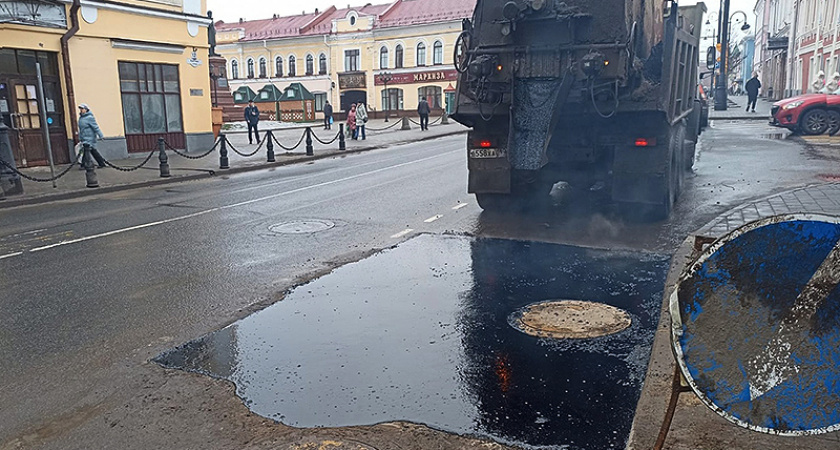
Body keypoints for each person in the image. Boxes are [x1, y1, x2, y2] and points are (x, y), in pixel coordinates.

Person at [77, 103, 106, 169]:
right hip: (84, 137)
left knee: (86, 150)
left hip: (90, 137)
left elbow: (96, 127)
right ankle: (101, 163)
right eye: (80, 109)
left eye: (82, 109)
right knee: (92, 150)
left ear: (86, 109)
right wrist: (80, 137)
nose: (81, 110)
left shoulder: (90, 118)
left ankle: (84, 164)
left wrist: (101, 135)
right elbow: (81, 129)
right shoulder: (81, 118)